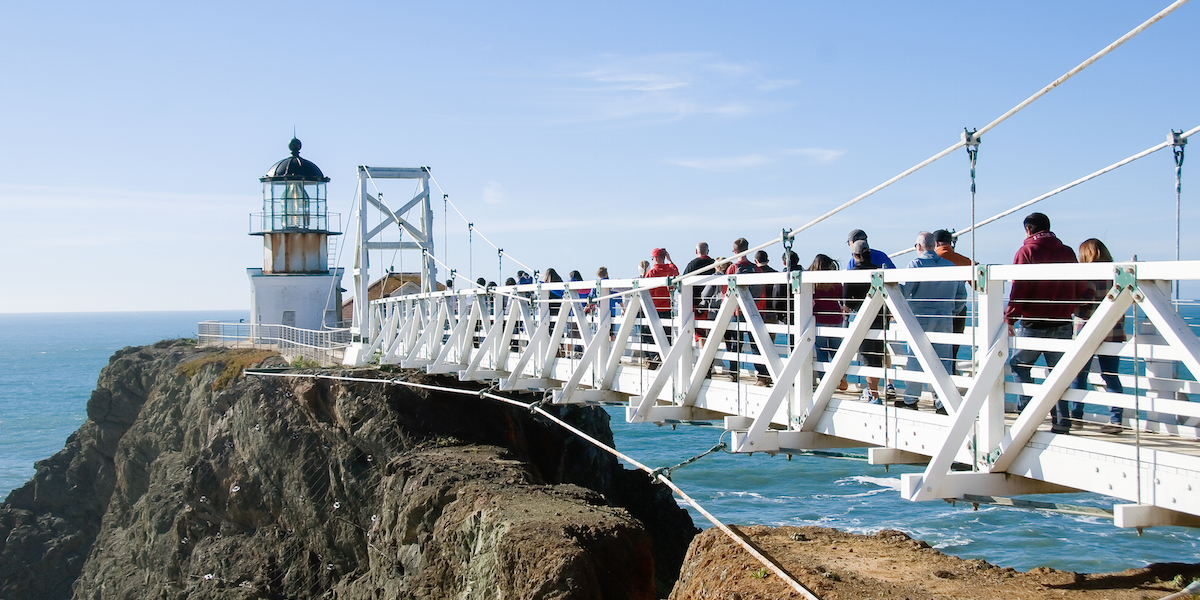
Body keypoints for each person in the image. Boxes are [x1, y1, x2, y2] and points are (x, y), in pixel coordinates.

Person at [1005, 212, 1085, 434]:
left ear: (1028, 230)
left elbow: (1019, 288)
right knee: (1058, 373)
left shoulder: (1027, 251)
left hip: (1034, 323)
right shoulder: (1067, 252)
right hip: (1062, 321)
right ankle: (1061, 421)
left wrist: (1010, 317)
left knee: (1020, 365)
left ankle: (1028, 415)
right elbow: (1080, 285)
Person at [898, 232, 966, 412]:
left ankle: (911, 400)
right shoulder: (951, 267)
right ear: (934, 245)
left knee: (916, 359)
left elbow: (903, 292)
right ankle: (943, 402)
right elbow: (961, 297)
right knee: (944, 360)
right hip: (945, 317)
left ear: (918, 247)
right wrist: (952, 311)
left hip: (920, 318)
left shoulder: (916, 265)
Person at [1072, 238, 1126, 434]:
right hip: (1114, 331)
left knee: (1079, 375)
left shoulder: (1088, 276)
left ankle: (1075, 415)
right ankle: (1116, 419)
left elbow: (1084, 306)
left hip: (1087, 331)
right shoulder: (1117, 274)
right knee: (1111, 376)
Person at [844, 240, 887, 402]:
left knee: (867, 356)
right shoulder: (879, 271)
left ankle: (873, 394)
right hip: (880, 315)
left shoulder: (853, 273)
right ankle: (874, 391)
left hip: (861, 315)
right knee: (877, 355)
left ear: (854, 255)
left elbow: (848, 301)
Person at [724, 238, 770, 382]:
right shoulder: (756, 268)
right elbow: (761, 290)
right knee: (756, 344)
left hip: (737, 312)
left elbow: (726, 291)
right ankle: (763, 375)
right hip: (753, 310)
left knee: (734, 344)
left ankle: (734, 373)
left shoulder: (732, 269)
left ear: (734, 251)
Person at [933, 229, 973, 374]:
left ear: (935, 243)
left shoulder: (931, 260)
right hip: (958, 309)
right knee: (953, 349)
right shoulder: (962, 260)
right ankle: (952, 377)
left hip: (936, 310)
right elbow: (976, 284)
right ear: (950, 243)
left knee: (935, 348)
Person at [809, 253, 847, 391]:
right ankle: (841, 378)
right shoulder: (835, 282)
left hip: (820, 319)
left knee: (822, 353)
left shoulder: (813, 283)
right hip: (836, 319)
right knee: (837, 351)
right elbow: (842, 299)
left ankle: (825, 382)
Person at [643, 248, 679, 368]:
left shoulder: (652, 272)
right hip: (667, 307)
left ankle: (653, 357)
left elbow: (644, 288)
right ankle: (664, 358)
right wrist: (670, 260)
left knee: (649, 334)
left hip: (654, 308)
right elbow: (677, 272)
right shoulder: (670, 270)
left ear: (656, 258)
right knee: (666, 335)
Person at [755, 250, 781, 325]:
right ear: (767, 260)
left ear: (755, 261)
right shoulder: (776, 274)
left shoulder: (753, 274)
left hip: (757, 309)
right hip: (772, 310)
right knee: (771, 335)